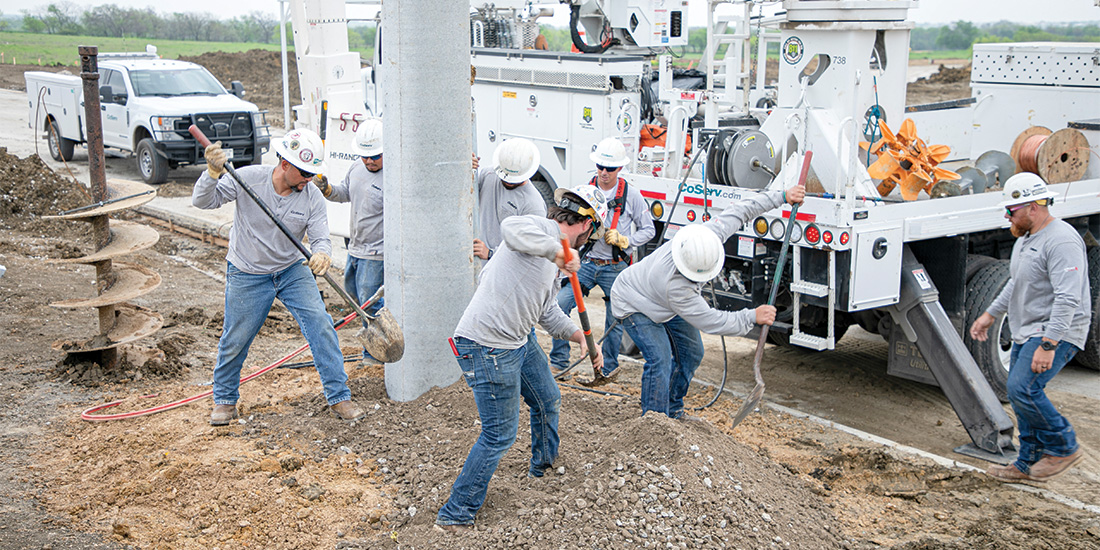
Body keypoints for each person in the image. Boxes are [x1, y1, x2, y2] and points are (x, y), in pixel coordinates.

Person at [436, 186, 607, 532]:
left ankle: (543, 468)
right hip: (487, 345)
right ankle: (455, 513)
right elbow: (511, 230)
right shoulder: (542, 232)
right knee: (499, 434)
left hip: (518, 339)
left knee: (547, 399)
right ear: (588, 227)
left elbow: (545, 309)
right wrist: (556, 253)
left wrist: (581, 338)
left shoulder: (554, 256)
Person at [193, 129, 365, 425]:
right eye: (304, 172)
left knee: (321, 326)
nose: (309, 179)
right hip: (247, 271)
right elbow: (202, 202)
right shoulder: (247, 178)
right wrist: (211, 173)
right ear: (284, 163)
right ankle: (224, 399)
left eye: (313, 173)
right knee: (236, 337)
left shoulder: (311, 196)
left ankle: (339, 396)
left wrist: (322, 254)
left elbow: (321, 237)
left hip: (290, 270)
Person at [610, 181, 805, 419]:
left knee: (692, 353)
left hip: (661, 301)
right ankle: (655, 420)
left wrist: (783, 196)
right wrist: (751, 316)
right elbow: (711, 321)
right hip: (634, 303)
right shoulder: (675, 287)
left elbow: (742, 209)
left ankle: (673, 407)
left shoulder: (706, 237)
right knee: (659, 359)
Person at [969, 173, 1090, 483]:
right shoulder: (1026, 238)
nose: (1008, 215)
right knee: (1021, 391)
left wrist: (1049, 345)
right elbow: (1016, 282)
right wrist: (990, 315)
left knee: (1022, 388)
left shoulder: (1061, 240)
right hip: (1029, 328)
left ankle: (1064, 447)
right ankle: (1026, 463)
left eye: (1012, 210)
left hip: (1057, 329)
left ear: (1034, 206)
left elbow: (1068, 297)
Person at [550, 137, 655, 380]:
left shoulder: (632, 197)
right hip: (587, 263)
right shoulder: (584, 192)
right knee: (560, 303)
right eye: (600, 167)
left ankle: (606, 368)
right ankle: (559, 363)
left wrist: (626, 240)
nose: (603, 172)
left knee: (614, 318)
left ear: (620, 169)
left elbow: (649, 230)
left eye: (609, 168)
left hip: (615, 266)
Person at [313, 118, 386, 363]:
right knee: (355, 300)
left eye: (375, 156)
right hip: (355, 247)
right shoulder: (357, 167)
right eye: (365, 156)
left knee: (371, 306)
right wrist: (327, 190)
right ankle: (374, 348)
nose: (369, 161)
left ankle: (374, 355)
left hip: (377, 253)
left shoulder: (394, 179)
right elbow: (345, 192)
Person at [472, 138, 547, 261]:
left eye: (513, 179)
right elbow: (465, 196)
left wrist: (491, 253)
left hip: (499, 272)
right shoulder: (489, 175)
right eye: (505, 177)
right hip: (476, 265)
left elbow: (531, 251)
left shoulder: (534, 205)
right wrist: (466, 170)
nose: (508, 181)